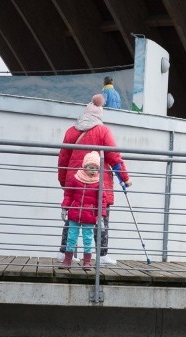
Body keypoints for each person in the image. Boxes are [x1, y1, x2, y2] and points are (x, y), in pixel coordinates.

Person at [56, 94, 131, 266]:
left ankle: (64, 253)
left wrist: (63, 182)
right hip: (97, 182)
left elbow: (62, 160)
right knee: (100, 215)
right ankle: (101, 254)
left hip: (74, 181)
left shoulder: (71, 131)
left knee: (72, 216)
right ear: (99, 116)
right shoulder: (103, 131)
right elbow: (114, 157)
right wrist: (125, 179)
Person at [59, 151, 102, 268]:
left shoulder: (99, 183)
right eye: (91, 167)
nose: (93, 171)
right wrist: (64, 208)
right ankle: (67, 260)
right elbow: (68, 195)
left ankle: (87, 261)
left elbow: (102, 201)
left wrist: (101, 216)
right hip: (75, 213)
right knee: (71, 237)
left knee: (88, 238)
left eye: (96, 168)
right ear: (84, 167)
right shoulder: (76, 179)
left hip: (89, 215)